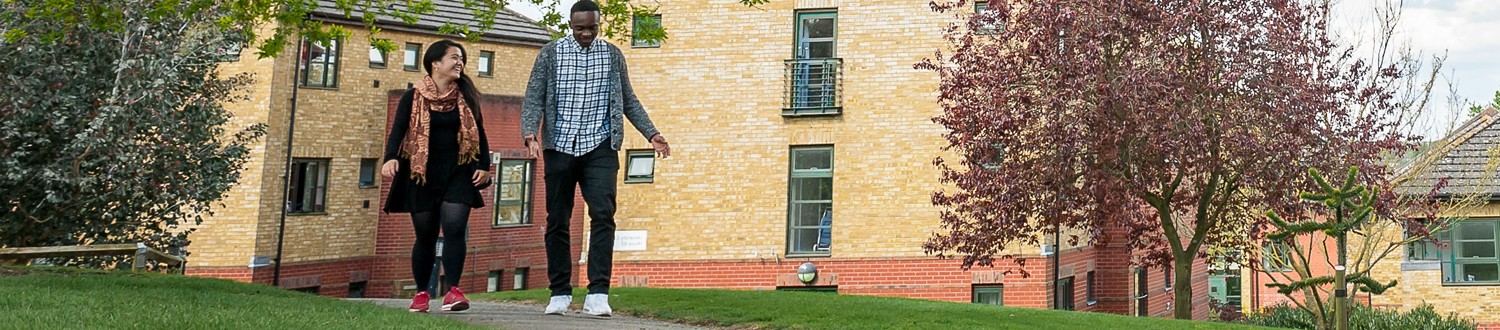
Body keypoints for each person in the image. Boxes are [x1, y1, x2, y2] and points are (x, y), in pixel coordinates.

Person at [521, 0, 671, 317]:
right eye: (580, 28)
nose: (586, 33)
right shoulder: (550, 53)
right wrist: (530, 134)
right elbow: (534, 95)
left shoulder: (613, 55)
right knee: (557, 219)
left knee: (603, 214)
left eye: (591, 28)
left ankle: (598, 293)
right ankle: (560, 292)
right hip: (559, 145)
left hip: (600, 145)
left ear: (598, 25)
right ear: (571, 25)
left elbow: (628, 99)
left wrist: (651, 133)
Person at [382, 39, 491, 314]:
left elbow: (479, 133)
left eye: (462, 58)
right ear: (435, 63)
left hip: (457, 171)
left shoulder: (465, 96)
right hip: (421, 173)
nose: (460, 62)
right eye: (454, 57)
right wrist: (390, 158)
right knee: (426, 235)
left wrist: (484, 166)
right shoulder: (413, 96)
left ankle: (453, 291)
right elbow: (398, 130)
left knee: (454, 228)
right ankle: (421, 294)